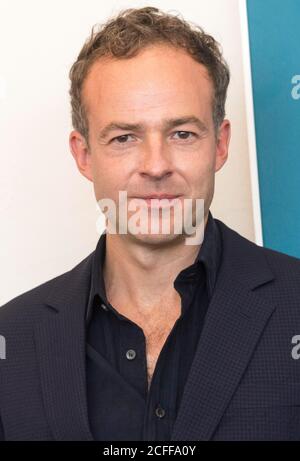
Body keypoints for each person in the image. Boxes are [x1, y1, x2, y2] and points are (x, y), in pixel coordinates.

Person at [1, 6, 300, 441]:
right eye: (124, 137)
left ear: (220, 144)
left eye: (182, 133)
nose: (156, 165)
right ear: (84, 155)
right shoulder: (13, 339)